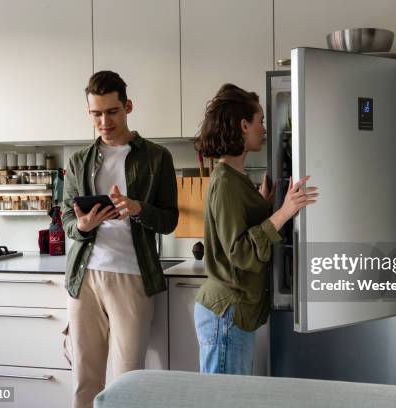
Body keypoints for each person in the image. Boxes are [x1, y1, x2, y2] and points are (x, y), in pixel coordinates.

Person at [62, 71, 178, 408]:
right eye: (96, 114)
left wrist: (139, 208)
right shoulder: (78, 160)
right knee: (85, 378)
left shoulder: (157, 157)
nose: (103, 121)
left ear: (127, 106)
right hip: (83, 276)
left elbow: (169, 220)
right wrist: (83, 226)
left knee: (128, 380)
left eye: (111, 112)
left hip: (132, 275)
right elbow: (67, 218)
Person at [193, 83, 317, 375]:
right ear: (243, 125)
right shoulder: (224, 181)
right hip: (226, 312)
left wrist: (262, 204)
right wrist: (285, 212)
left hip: (233, 310)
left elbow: (242, 226)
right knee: (224, 401)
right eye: (260, 121)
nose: (264, 128)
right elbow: (239, 251)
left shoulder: (236, 178)